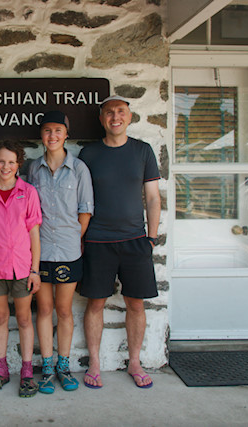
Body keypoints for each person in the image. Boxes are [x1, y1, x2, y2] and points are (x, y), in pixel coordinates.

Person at [78, 95, 161, 390]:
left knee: (135, 304)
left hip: (136, 240)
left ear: (129, 117)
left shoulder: (143, 151)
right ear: (101, 119)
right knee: (96, 303)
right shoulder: (88, 154)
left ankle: (135, 362)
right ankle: (96, 364)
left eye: (121, 112)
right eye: (109, 112)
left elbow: (152, 197)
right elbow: (81, 200)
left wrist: (151, 237)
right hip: (98, 240)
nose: (115, 116)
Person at [27, 111, 94, 394]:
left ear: (66, 134)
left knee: (64, 310)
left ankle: (64, 365)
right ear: (41, 136)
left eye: (57, 130)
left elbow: (85, 210)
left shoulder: (79, 168)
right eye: (46, 131)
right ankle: (48, 366)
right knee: (43, 308)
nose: (52, 136)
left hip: (68, 252)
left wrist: (71, 239)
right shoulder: (32, 168)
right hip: (39, 251)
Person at [0, 140, 42, 398]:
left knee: (24, 319)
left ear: (18, 165)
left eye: (11, 162)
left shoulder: (28, 192)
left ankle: (26, 372)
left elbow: (34, 233)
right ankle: (1, 369)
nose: (6, 166)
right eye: (1, 161)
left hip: (22, 268)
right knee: (1, 318)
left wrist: (35, 270)